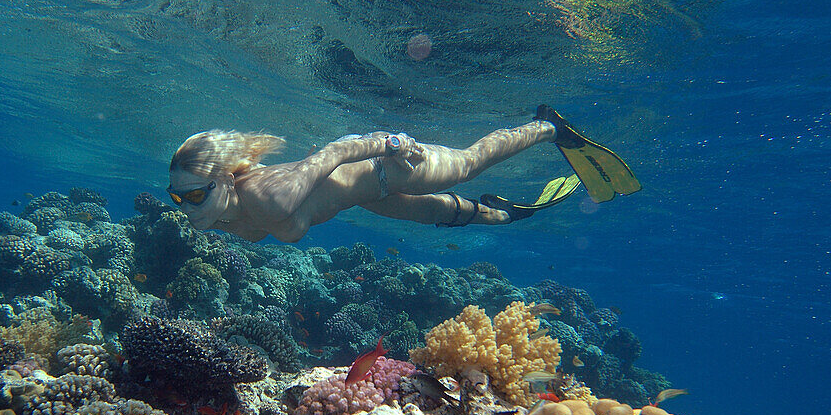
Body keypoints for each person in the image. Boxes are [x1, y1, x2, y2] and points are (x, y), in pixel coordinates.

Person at [166, 105, 640, 243]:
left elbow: (335, 151)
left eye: (193, 196)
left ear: (227, 180)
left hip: (385, 168)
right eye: (178, 199)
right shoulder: (222, 218)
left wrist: (391, 142)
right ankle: (506, 214)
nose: (186, 208)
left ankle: (548, 128)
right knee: (441, 216)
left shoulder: (269, 197)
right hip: (364, 195)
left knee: (469, 164)